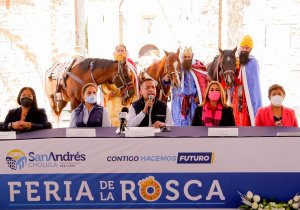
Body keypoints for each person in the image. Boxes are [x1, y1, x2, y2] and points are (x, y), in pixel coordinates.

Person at [163, 46, 208, 126]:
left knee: (192, 124)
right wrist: (166, 80)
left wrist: (199, 96)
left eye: (189, 57)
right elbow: (171, 78)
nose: (187, 58)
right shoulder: (177, 67)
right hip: (178, 102)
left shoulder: (196, 68)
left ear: (192, 56)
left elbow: (201, 83)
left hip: (192, 102)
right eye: (185, 57)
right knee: (178, 124)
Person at [101, 44, 140, 126]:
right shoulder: (109, 67)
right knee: (111, 123)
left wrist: (133, 99)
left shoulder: (130, 67)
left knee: (125, 123)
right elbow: (104, 83)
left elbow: (134, 85)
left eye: (122, 50)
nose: (120, 52)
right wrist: (108, 92)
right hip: (112, 100)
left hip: (126, 100)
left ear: (126, 53)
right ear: (114, 52)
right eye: (118, 50)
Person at [232, 35, 262, 126]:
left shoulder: (253, 63)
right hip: (237, 95)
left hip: (247, 96)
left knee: (247, 119)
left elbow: (254, 85)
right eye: (243, 47)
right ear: (240, 48)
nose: (244, 49)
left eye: (247, 48)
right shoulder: (236, 61)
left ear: (250, 49)